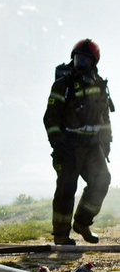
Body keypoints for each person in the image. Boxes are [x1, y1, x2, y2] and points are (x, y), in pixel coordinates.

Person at [44, 38, 113, 245]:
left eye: (85, 60)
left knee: (102, 181)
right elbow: (51, 117)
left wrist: (106, 143)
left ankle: (83, 223)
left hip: (93, 146)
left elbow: (105, 118)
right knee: (67, 188)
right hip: (69, 146)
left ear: (94, 63)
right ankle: (61, 235)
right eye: (78, 59)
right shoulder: (63, 84)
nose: (80, 63)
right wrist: (57, 143)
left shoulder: (100, 86)